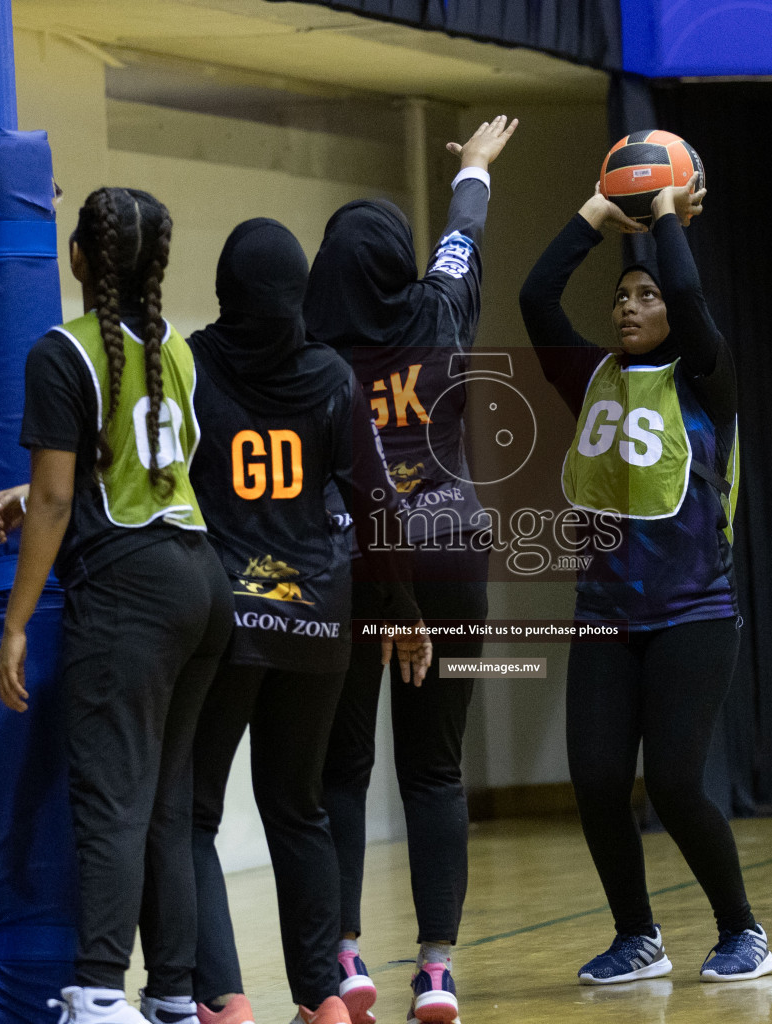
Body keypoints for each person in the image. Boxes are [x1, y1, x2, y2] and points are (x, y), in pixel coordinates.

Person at [0, 186, 234, 1024]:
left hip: (130, 591)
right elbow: (123, 468)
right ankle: (169, 994)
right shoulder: (179, 355)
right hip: (201, 582)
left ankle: (94, 992)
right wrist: (36, 490)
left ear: (79, 259)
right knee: (166, 802)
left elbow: (57, 504)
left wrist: (15, 623)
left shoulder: (62, 351)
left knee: (112, 802)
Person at [517, 179, 772, 985]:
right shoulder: (590, 376)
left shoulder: (706, 380)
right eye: (622, 296)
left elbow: (693, 299)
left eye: (646, 295)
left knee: (670, 781)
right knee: (595, 781)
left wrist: (664, 214)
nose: (628, 306)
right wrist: (598, 213)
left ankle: (744, 931)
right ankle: (638, 936)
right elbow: (535, 296)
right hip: (604, 613)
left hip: (692, 613)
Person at [182, 217, 431, 1024]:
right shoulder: (330, 373)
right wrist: (403, 606)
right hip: (321, 616)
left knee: (192, 811)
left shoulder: (194, 364)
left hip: (226, 617)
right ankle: (322, 998)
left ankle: (223, 998)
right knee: (300, 808)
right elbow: (372, 500)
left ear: (225, 289)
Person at [307, 114, 517, 1024]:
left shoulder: (309, 359)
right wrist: (472, 165)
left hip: (352, 569)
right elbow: (462, 235)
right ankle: (435, 972)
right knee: (434, 772)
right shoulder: (439, 310)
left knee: (340, 770)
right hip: (449, 558)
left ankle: (344, 956)